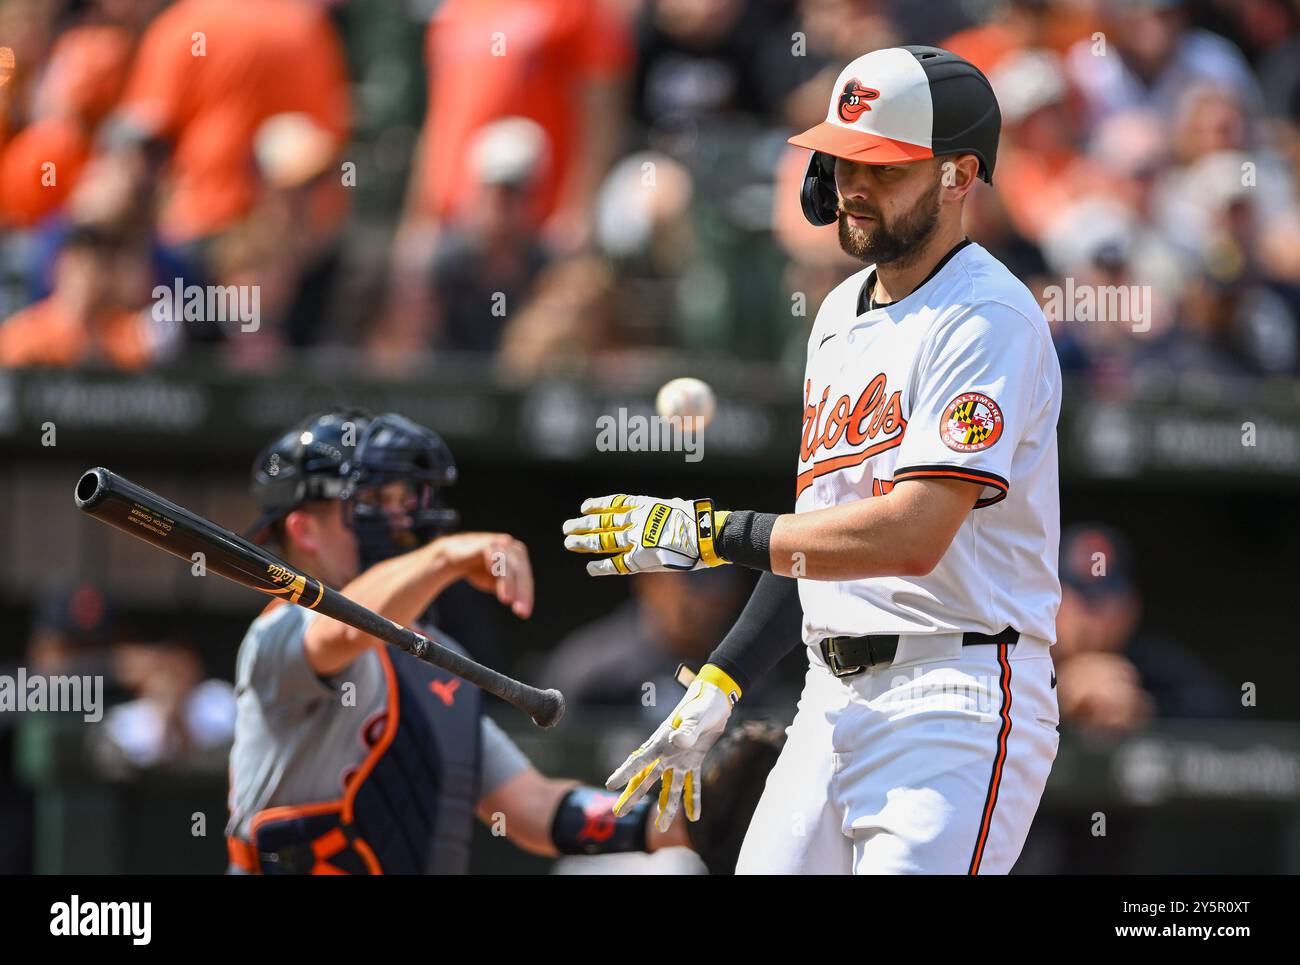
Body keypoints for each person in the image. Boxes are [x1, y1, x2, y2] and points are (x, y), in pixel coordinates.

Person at [563, 46, 1063, 874]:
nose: (852, 182)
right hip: (828, 696)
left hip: (955, 693)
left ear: (957, 175)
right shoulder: (836, 311)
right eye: (842, 156)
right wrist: (724, 679)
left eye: (883, 163)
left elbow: (912, 532)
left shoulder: (987, 317)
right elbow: (813, 531)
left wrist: (710, 531)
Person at [225, 409, 689, 874]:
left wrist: (679, 822)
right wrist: (446, 555)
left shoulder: (437, 658)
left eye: (402, 499)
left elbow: (538, 810)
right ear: (304, 529)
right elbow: (344, 627)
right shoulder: (278, 634)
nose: (400, 519)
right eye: (374, 500)